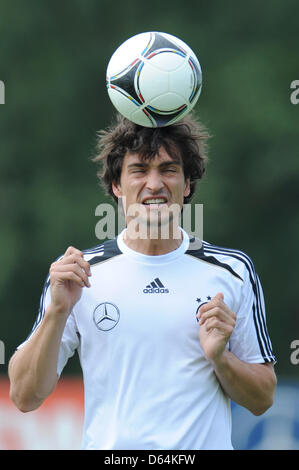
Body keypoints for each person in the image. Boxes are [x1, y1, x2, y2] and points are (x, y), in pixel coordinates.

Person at [8, 113, 277, 450]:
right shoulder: (79, 274)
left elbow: (262, 398)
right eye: (139, 170)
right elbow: (24, 396)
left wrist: (222, 358)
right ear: (117, 185)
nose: (154, 184)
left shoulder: (232, 271)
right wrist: (56, 313)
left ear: (187, 184)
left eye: (168, 169)